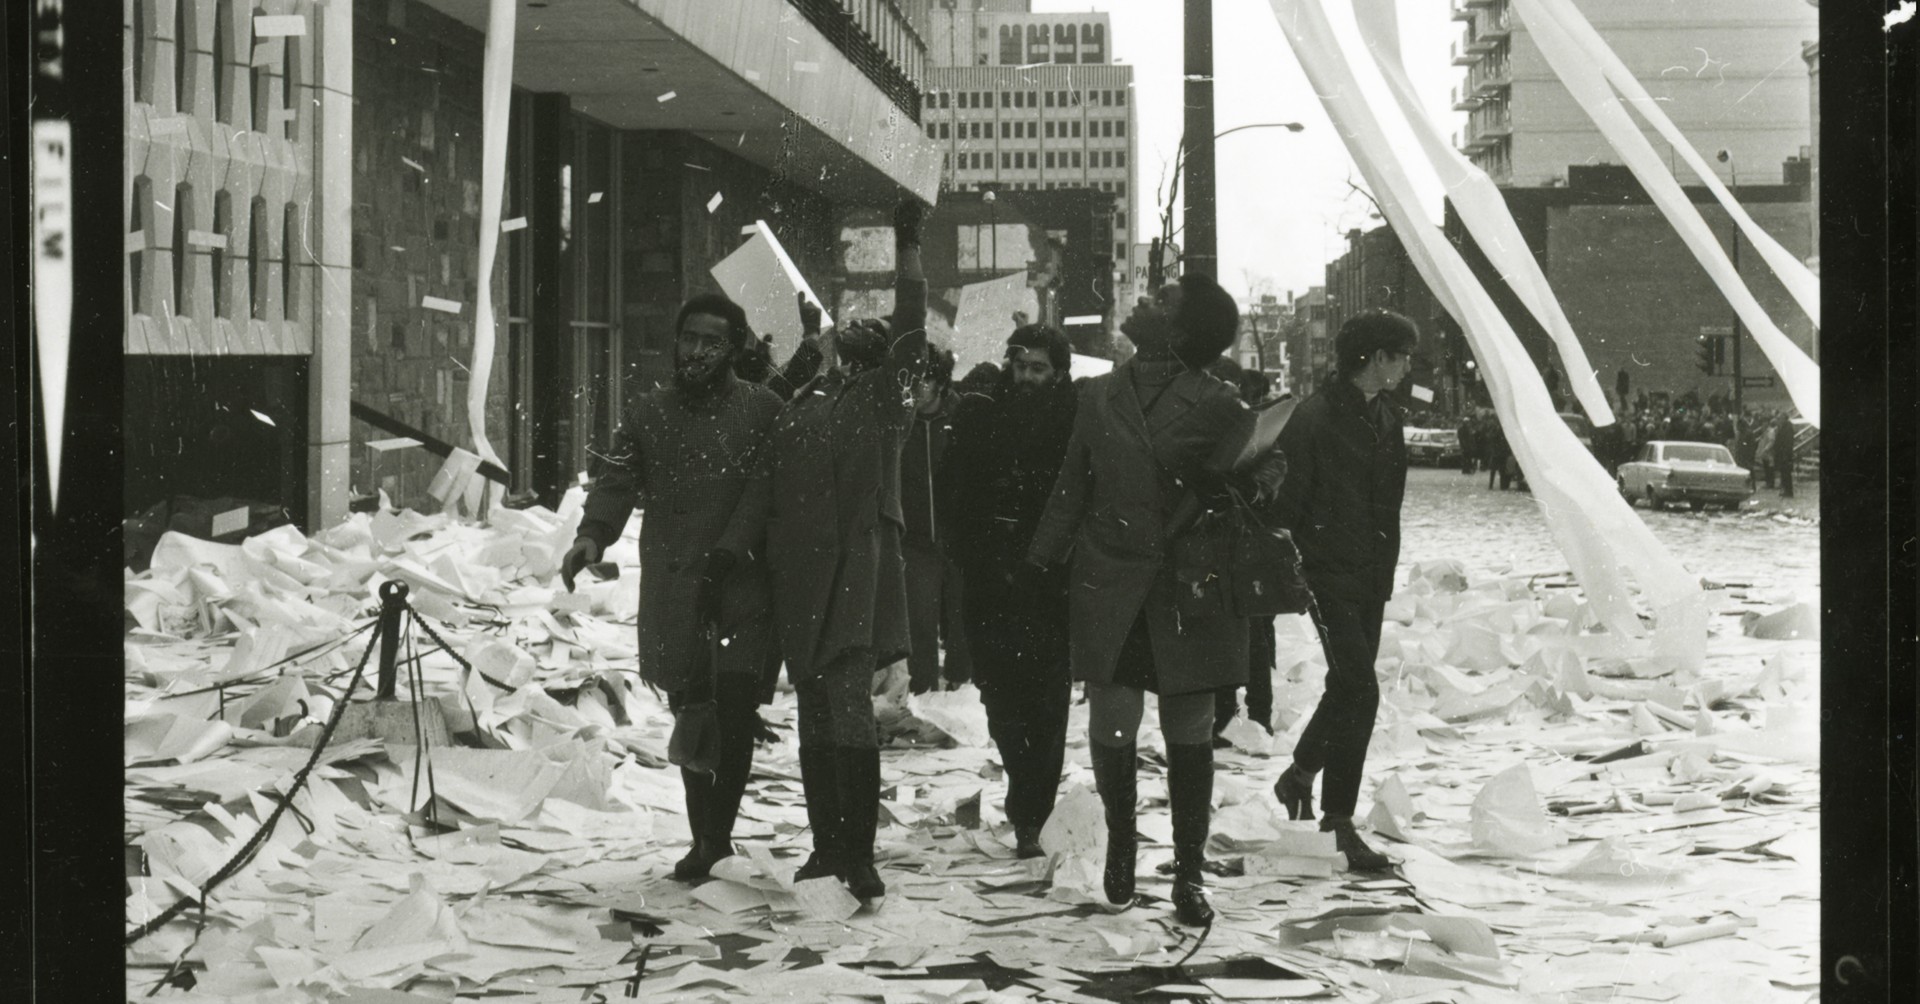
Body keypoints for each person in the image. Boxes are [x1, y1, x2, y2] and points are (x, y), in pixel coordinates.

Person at [1028, 273, 1288, 927]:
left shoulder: (1223, 405)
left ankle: (1189, 873)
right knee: (1113, 723)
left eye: (1163, 300)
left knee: (1188, 732)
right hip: (1110, 578)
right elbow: (1071, 484)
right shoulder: (1097, 396)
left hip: (1187, 585)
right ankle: (1121, 842)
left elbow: (1268, 472)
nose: (1145, 301)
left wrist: (1238, 489)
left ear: (1184, 330)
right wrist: (1039, 560)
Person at [562, 292, 783, 883]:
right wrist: (592, 537)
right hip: (677, 585)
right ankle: (701, 837)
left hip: (743, 587)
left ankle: (717, 837)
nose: (697, 352)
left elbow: (771, 498)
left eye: (712, 341)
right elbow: (616, 480)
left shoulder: (764, 410)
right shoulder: (649, 413)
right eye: (689, 338)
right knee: (692, 708)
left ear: (735, 348)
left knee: (733, 709)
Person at [764, 201, 929, 903]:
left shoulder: (885, 400)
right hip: (805, 576)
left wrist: (909, 244)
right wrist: (805, 345)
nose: (858, 329)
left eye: (872, 328)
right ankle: (825, 845)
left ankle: (857, 853)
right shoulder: (808, 401)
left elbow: (913, 324)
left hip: (857, 571)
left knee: (848, 706)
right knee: (815, 709)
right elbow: (762, 413)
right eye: (848, 327)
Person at [1267, 310, 1417, 874]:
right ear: (1376, 358)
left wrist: (1384, 572)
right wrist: (1300, 575)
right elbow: (1289, 507)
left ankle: (1298, 776)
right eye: (1401, 356)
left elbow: (1389, 506)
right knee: (1361, 689)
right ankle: (1338, 821)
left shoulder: (1386, 416)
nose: (1406, 367)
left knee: (1346, 686)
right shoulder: (1314, 418)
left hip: (1368, 577)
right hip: (1326, 577)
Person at [940, 323, 1080, 858]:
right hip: (988, 579)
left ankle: (1032, 813)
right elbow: (954, 487)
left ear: (1058, 373)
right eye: (1019, 366)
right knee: (998, 696)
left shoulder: (1073, 420)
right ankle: (1025, 790)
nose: (1026, 377)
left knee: (1046, 700)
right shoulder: (981, 414)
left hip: (1048, 583)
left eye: (1038, 369)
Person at [901, 348, 973, 694]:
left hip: (958, 539)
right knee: (920, 619)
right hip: (915, 541)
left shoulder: (962, 415)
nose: (917, 389)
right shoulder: (901, 422)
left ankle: (962, 684)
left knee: (962, 617)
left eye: (925, 380)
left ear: (941, 383)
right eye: (911, 381)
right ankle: (923, 688)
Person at [1772, 411, 1796, 498]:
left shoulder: (1788, 427)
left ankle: (1788, 491)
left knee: (1786, 473)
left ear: (1784, 418)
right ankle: (1785, 489)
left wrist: (1785, 454)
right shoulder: (1782, 427)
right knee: (1783, 473)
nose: (1779, 420)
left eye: (1780, 418)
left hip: (1785, 455)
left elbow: (1788, 442)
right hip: (1781, 454)